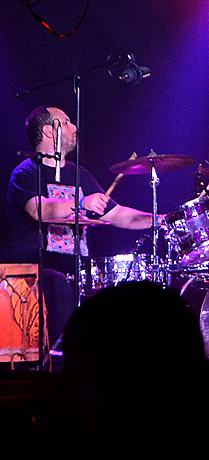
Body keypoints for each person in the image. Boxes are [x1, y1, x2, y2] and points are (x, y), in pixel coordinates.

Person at [0, 106, 157, 357]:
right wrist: (81, 202)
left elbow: (118, 215)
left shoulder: (79, 175)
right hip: (31, 276)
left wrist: (161, 219)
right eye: (67, 122)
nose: (74, 128)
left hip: (75, 271)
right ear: (50, 131)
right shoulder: (26, 172)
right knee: (59, 287)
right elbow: (39, 210)